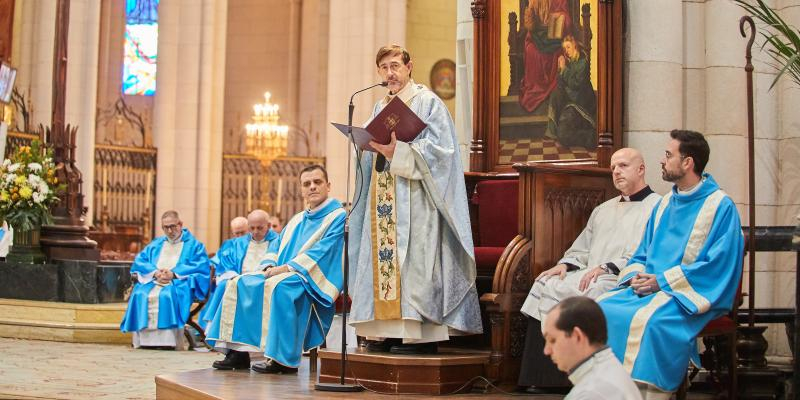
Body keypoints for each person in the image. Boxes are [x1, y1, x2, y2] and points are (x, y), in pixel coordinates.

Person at [348, 45, 482, 354]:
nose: (390, 73)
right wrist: (363, 146)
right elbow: (371, 152)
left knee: (415, 268)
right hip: (384, 201)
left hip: (418, 201)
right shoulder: (378, 107)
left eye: (395, 65)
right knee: (387, 266)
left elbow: (443, 152)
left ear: (409, 67)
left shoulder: (428, 102)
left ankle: (419, 337)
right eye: (384, 68)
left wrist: (401, 152)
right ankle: (386, 333)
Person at [598, 130, 744, 399]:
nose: (662, 161)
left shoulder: (720, 206)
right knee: (600, 309)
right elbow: (642, 252)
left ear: (687, 163)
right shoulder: (664, 204)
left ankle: (646, 395)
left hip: (691, 293)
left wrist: (662, 282)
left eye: (668, 155)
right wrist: (635, 277)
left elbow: (719, 264)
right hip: (649, 288)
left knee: (652, 321)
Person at [518, 147, 660, 391]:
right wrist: (564, 265)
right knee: (545, 283)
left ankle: (581, 374)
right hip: (590, 272)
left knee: (595, 289)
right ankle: (540, 376)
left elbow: (649, 253)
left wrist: (607, 267)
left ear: (641, 169)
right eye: (613, 168)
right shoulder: (603, 209)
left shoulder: (658, 207)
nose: (616, 172)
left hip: (621, 277)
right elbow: (582, 249)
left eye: (623, 166)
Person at [207, 165, 346, 374]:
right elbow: (276, 245)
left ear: (328, 186)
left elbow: (325, 251)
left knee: (281, 288)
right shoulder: (298, 218)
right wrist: (269, 265)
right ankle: (238, 353)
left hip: (312, 277)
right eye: (307, 184)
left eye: (317, 182)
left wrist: (286, 268)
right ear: (301, 190)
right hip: (283, 271)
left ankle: (283, 360)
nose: (312, 187)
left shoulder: (338, 216)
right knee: (239, 282)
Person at [120, 210, 210, 349]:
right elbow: (140, 261)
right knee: (139, 293)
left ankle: (167, 342)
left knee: (166, 295)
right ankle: (145, 342)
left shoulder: (194, 246)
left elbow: (200, 267)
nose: (169, 231)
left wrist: (174, 274)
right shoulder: (156, 244)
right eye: (165, 227)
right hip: (154, 281)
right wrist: (155, 272)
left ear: (180, 224)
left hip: (178, 282)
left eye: (172, 226)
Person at [200, 208, 278, 358]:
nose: (255, 232)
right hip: (239, 280)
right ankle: (232, 350)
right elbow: (226, 263)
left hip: (264, 282)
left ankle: (251, 350)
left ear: (268, 225)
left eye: (260, 228)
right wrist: (234, 276)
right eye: (252, 228)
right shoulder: (238, 243)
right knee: (225, 285)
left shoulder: (278, 241)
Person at [543, 296, 642, 400]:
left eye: (552, 340)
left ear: (577, 336)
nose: (546, 351)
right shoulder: (609, 369)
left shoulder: (591, 393)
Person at [519, 0, 572, 113]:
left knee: (558, 50)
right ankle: (537, 87)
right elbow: (529, 21)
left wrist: (559, 18)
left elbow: (566, 18)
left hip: (555, 36)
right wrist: (531, 17)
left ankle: (553, 89)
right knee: (531, 50)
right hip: (536, 34)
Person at [546, 35, 597, 149]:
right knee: (555, 94)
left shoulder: (583, 63)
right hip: (571, 104)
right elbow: (560, 84)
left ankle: (591, 137)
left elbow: (575, 85)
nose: (566, 51)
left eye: (568, 47)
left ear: (575, 46)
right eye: (564, 48)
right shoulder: (569, 62)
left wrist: (564, 69)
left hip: (582, 106)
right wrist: (560, 69)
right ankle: (553, 133)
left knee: (563, 135)